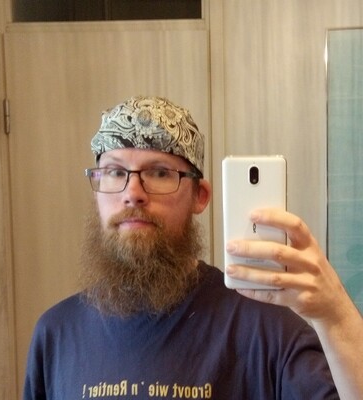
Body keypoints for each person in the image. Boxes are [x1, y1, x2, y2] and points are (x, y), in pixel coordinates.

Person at [23, 96, 363, 400]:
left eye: (159, 173)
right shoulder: (55, 334)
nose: (133, 193)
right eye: (114, 172)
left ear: (200, 196)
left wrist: (336, 315)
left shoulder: (268, 329)